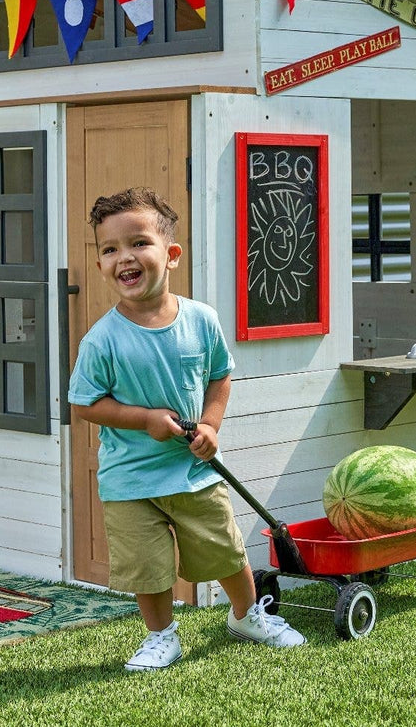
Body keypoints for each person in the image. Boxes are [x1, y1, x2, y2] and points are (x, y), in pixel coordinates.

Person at [68, 187, 305, 672]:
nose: (124, 258)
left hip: (196, 472)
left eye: (138, 243)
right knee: (147, 566)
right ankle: (161, 637)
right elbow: (85, 404)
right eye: (109, 250)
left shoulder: (201, 320)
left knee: (226, 549)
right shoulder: (102, 339)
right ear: (100, 266)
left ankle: (247, 615)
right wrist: (145, 420)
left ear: (171, 254)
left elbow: (220, 376)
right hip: (130, 480)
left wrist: (212, 425)